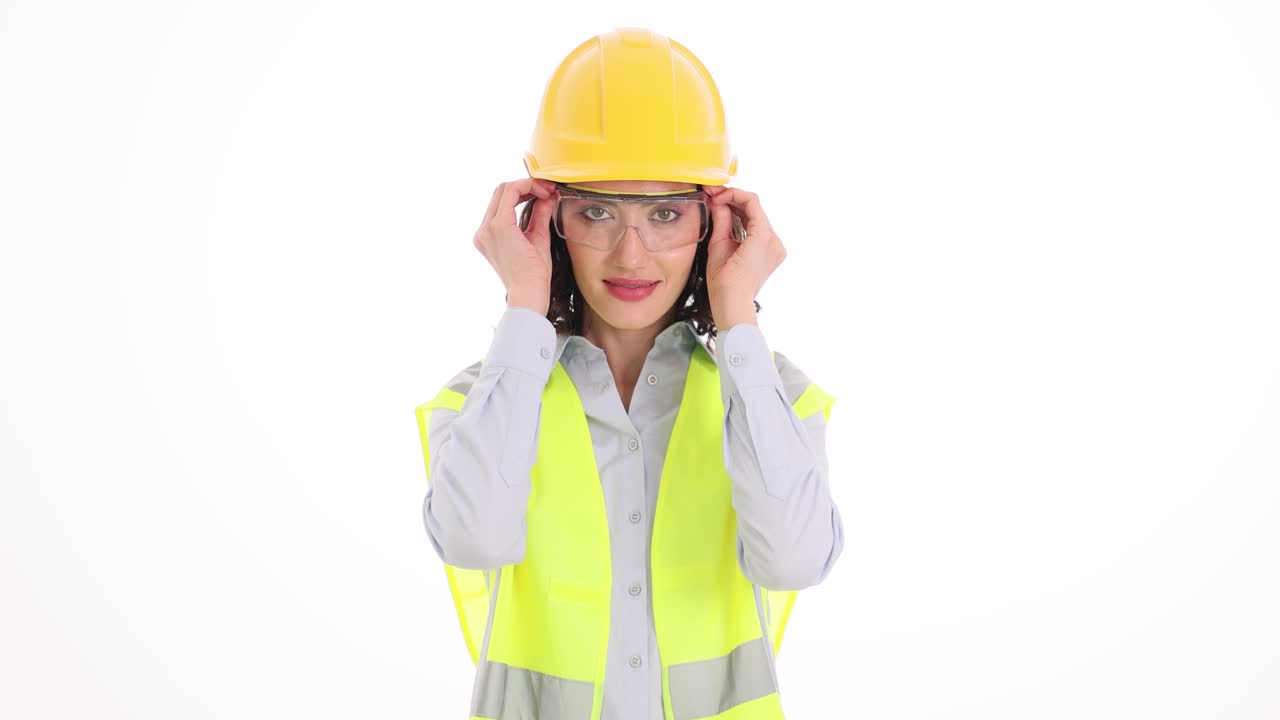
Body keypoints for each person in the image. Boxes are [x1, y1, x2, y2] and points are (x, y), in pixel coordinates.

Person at [414, 27, 845, 720]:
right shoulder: (484, 398)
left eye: (666, 213)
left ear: (713, 223)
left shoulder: (772, 396)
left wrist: (738, 318)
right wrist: (525, 303)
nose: (632, 254)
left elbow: (794, 560)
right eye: (597, 211)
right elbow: (473, 540)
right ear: (549, 219)